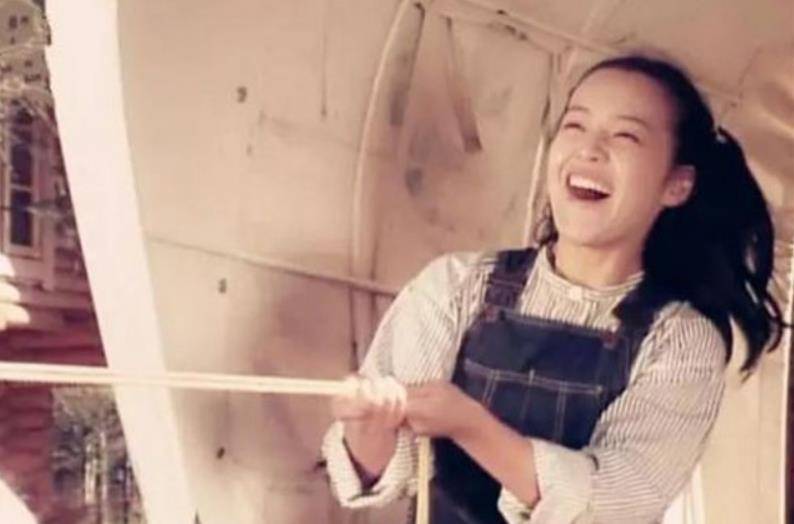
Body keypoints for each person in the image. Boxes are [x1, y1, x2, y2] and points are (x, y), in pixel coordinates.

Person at [321, 54, 787, 523]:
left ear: (676, 185)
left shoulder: (680, 339)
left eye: (625, 135)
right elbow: (387, 470)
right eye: (575, 125)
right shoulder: (455, 286)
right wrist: (368, 426)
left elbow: (613, 505)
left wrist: (471, 425)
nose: (589, 149)